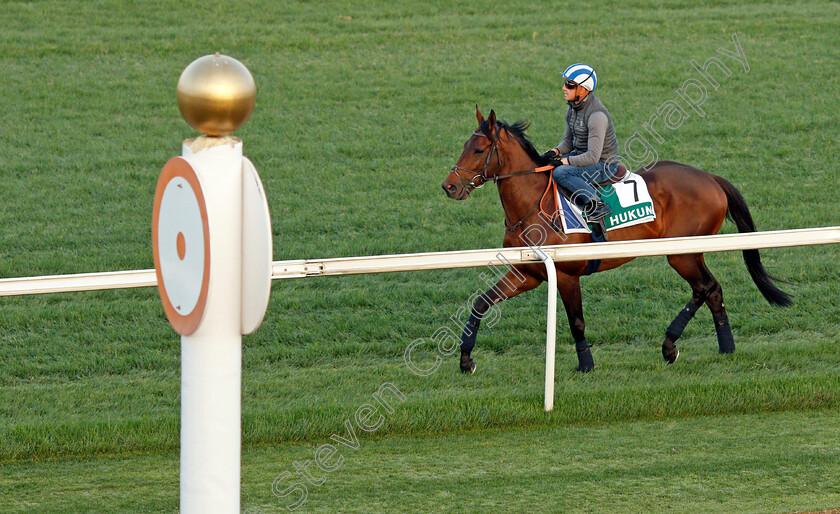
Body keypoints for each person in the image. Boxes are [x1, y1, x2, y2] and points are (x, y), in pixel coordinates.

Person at [541, 63, 620, 222]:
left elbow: (592, 157)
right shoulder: (572, 108)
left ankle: (596, 203)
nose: (564, 88)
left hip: (604, 165)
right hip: (581, 155)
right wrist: (554, 152)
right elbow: (568, 143)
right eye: (565, 83)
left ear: (583, 90)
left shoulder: (597, 116)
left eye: (569, 85)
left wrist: (564, 160)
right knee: (545, 164)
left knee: (560, 172)